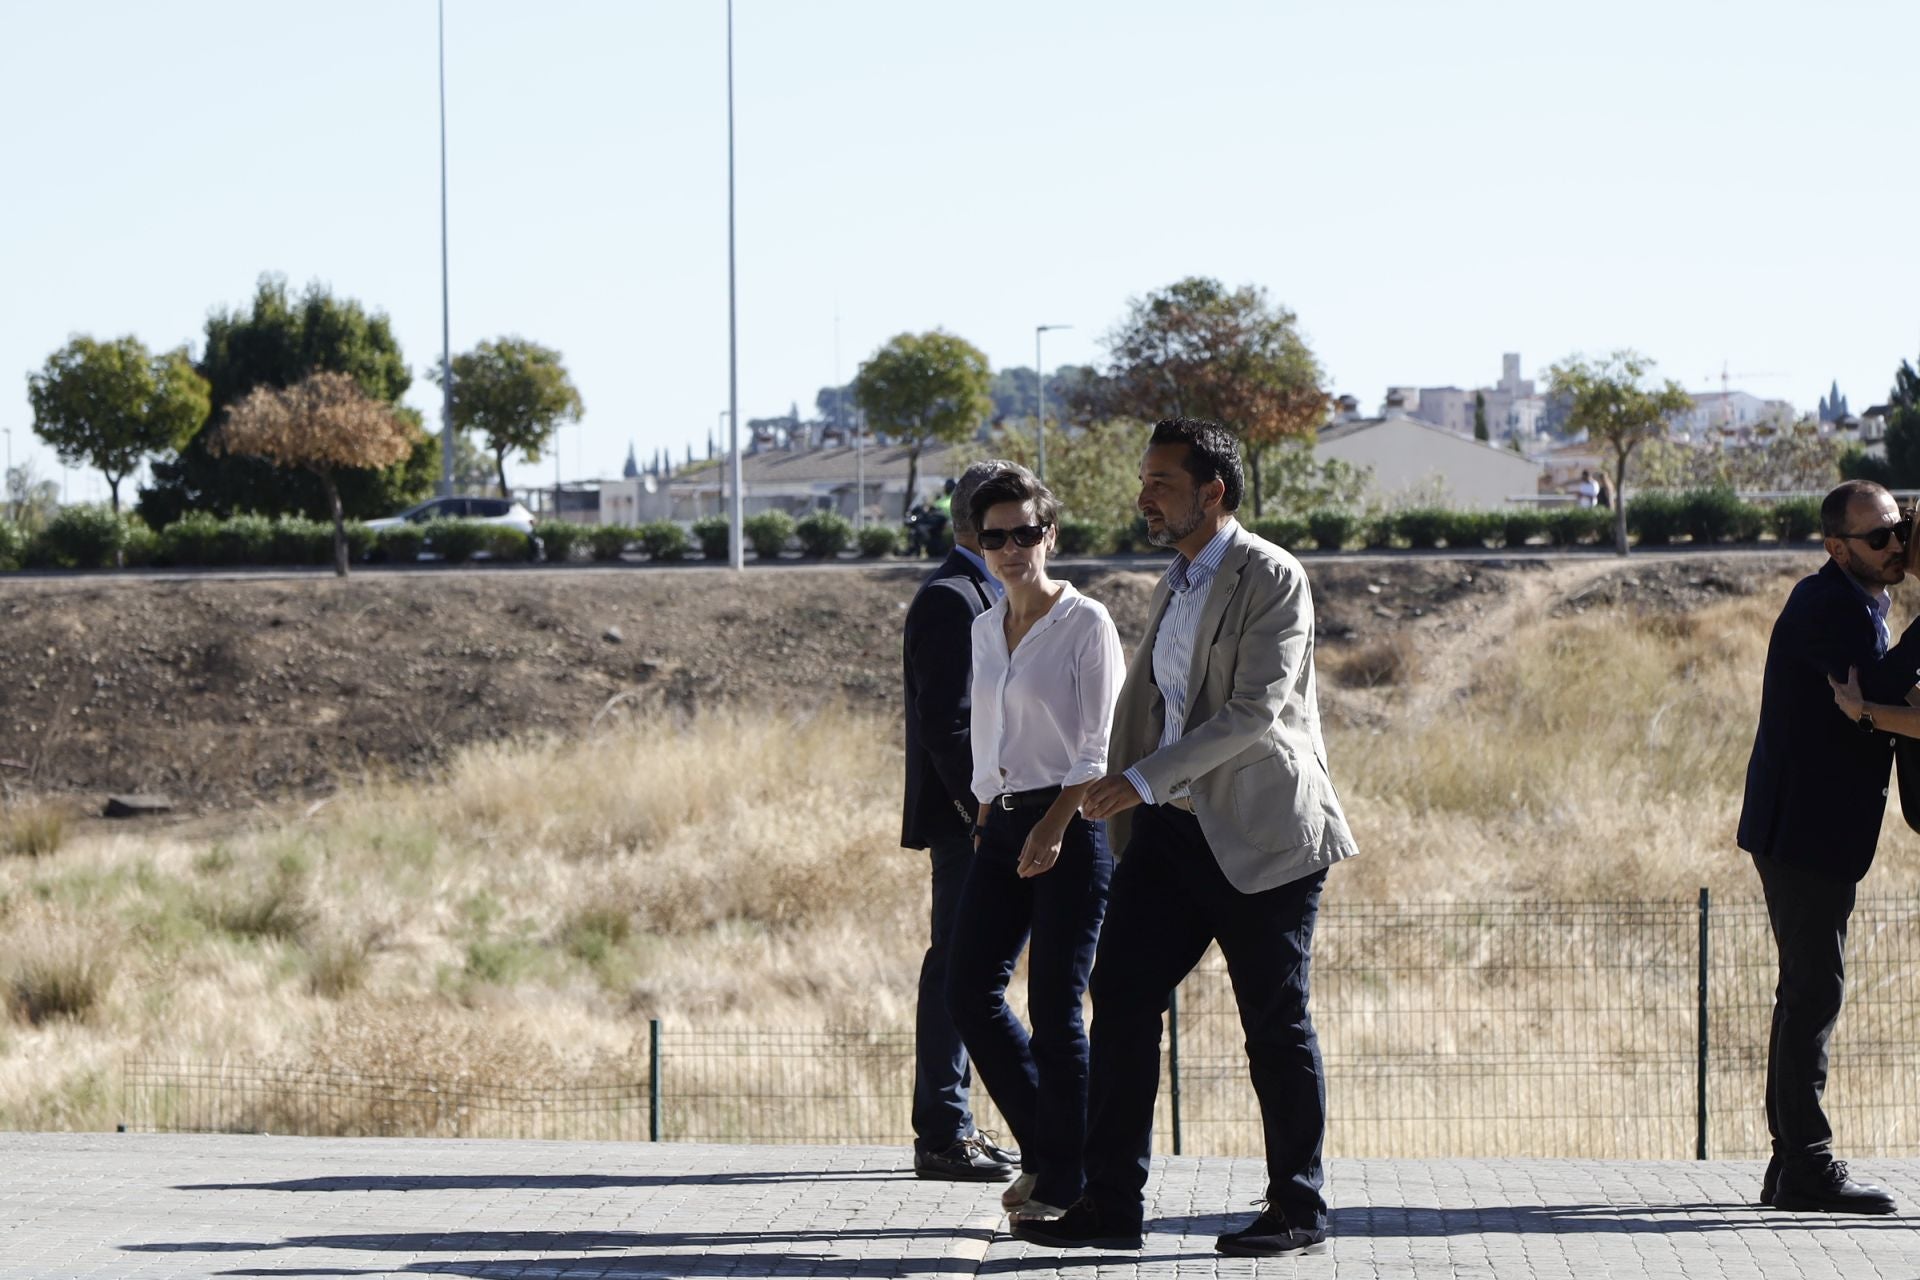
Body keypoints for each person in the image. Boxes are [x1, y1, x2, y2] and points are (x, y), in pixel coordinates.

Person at [1016, 418, 1357, 1258]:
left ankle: (1299, 1209)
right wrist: (1083, 800)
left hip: (1262, 835)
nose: (1143, 497)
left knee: (1273, 1023)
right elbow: (1149, 709)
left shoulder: (1271, 575)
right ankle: (1111, 1206)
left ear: (1214, 492)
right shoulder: (1174, 579)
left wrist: (1138, 780)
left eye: (1161, 482)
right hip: (1169, 833)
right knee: (1122, 997)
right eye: (1145, 481)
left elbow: (1254, 711)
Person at [946, 464, 1124, 1224]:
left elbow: (1098, 745)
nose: (1014, 547)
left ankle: (1063, 1181)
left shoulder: (1087, 622)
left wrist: (1054, 824)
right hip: (1002, 821)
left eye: (1027, 532)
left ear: (1050, 534)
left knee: (1056, 1010)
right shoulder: (986, 625)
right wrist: (987, 812)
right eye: (997, 537)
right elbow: (989, 733)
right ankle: (1055, 1155)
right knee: (968, 990)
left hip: (1072, 823)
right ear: (978, 544)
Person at [1737, 479, 1920, 1215]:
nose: (1893, 547)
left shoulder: (1861, 601)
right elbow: (1868, 691)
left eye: (1898, 532)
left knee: (1806, 993)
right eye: (1878, 537)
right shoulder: (1825, 606)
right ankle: (1806, 1166)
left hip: (1813, 830)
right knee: (1814, 994)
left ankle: (1790, 1166)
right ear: (1835, 546)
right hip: (1803, 834)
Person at [900, 459, 1022, 1182]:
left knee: (972, 971)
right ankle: (943, 1133)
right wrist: (976, 814)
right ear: (981, 523)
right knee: (956, 969)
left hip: (989, 817)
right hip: (968, 823)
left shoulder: (985, 588)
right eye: (1013, 521)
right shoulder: (951, 597)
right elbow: (945, 725)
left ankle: (956, 1126)